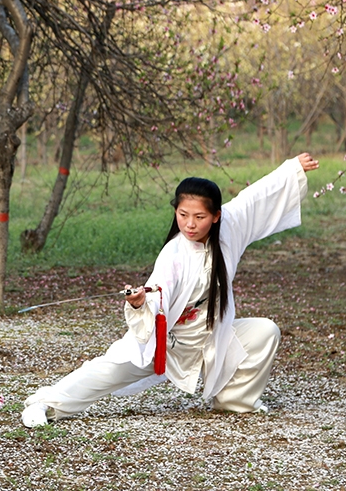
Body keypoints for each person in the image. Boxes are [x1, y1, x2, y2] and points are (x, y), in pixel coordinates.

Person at [21, 153, 319, 427]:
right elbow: (158, 291)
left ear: (216, 215)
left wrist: (292, 169)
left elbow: (255, 197)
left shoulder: (231, 225)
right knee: (106, 371)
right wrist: (141, 302)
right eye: (183, 215)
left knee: (264, 332)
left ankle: (234, 402)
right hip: (169, 341)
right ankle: (44, 404)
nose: (190, 224)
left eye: (199, 217)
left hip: (212, 335)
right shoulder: (174, 253)